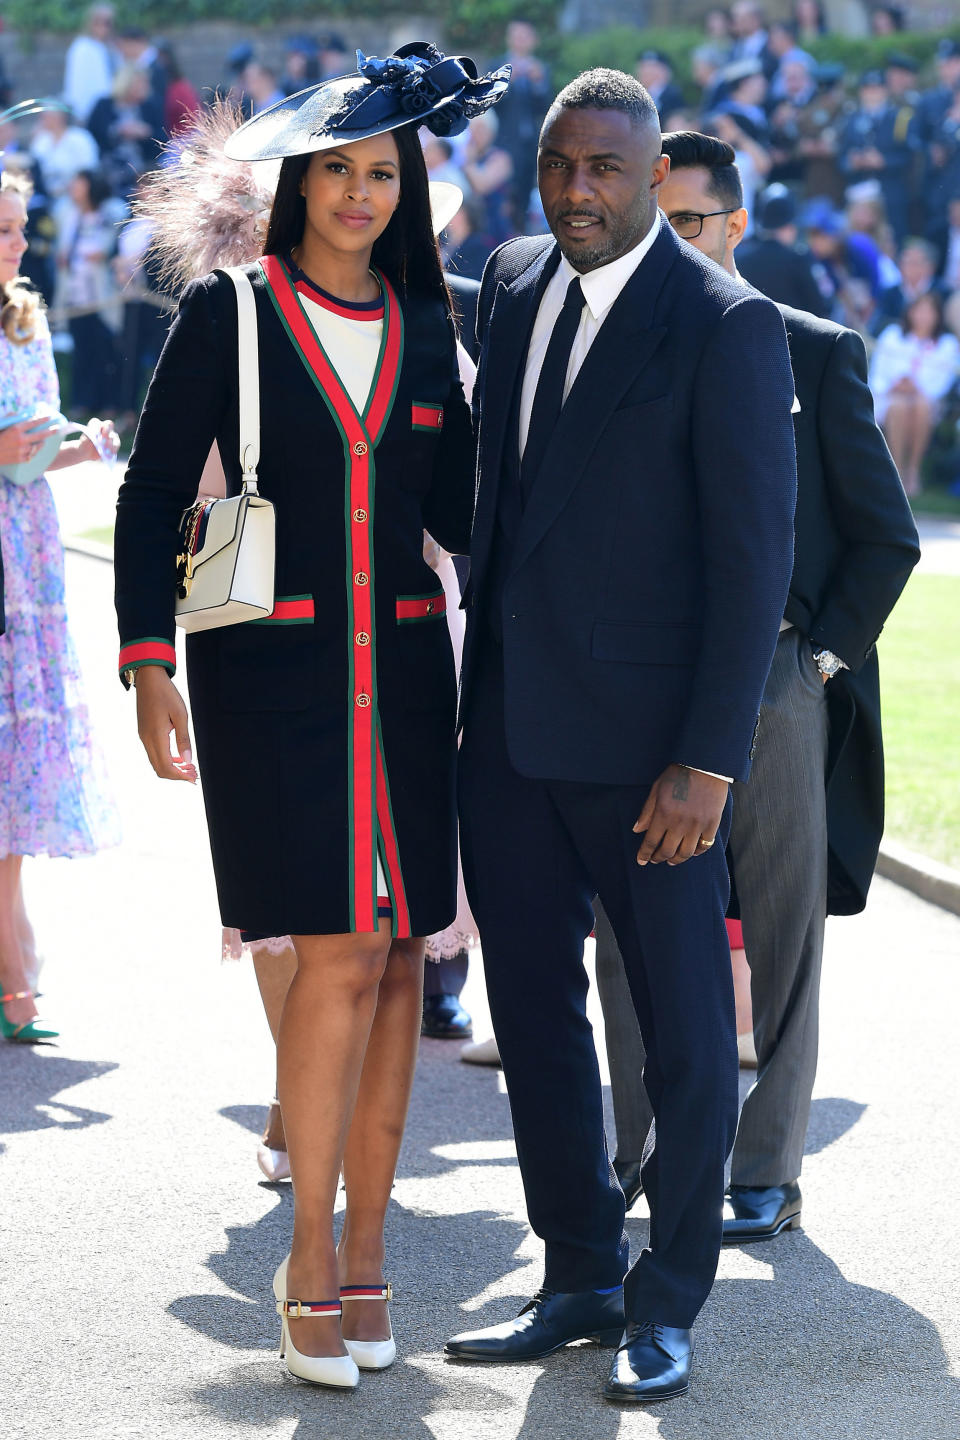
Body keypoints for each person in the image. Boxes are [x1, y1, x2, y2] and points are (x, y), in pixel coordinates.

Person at [113, 43, 508, 1390]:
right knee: (338, 958)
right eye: (335, 169)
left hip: (403, 683)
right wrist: (147, 662)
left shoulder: (429, 330)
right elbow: (153, 488)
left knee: (402, 965)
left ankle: (372, 1259)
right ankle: (304, 1263)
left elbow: (459, 522)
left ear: (411, 188)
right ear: (295, 185)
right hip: (271, 688)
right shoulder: (229, 311)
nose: (358, 192)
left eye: (382, 171)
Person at [444, 70, 797, 1404]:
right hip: (513, 747)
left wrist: (709, 759)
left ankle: (669, 1300)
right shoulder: (513, 279)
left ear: (652, 177)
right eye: (559, 166)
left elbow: (750, 561)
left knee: (691, 1040)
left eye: (604, 168)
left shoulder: (726, 324)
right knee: (533, 1020)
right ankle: (580, 1272)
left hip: (658, 764)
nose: (578, 191)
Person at [595, 129, 919, 1246]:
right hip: (642, 675)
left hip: (778, 675)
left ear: (735, 226)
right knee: (626, 925)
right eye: (657, 221)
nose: (669, 242)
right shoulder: (617, 347)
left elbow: (887, 539)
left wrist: (815, 668)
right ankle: (631, 1152)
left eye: (688, 223)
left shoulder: (816, 351)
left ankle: (767, 1168)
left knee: (783, 936)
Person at [0, 170, 120, 1044]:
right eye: (1, 229)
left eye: (17, 229)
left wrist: (77, 449)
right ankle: (16, 974)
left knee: (14, 767)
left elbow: (30, 450)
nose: (13, 245)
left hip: (25, 553)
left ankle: (15, 972)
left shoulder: (25, 318)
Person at [869, 290, 960, 494]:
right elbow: (878, 372)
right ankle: (897, 469)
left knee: (920, 405)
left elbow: (942, 382)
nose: (923, 316)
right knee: (900, 406)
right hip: (890, 397)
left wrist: (916, 387)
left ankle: (913, 470)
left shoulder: (946, 344)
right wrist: (896, 385)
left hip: (925, 402)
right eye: (919, 310)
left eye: (929, 311)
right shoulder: (892, 335)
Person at [738, 182, 831, 315]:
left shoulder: (741, 259)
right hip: (794, 334)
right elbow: (822, 306)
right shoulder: (800, 259)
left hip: (753, 334)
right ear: (790, 225)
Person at [62, 4, 116, 126]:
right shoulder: (81, 47)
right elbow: (76, 83)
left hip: (107, 111)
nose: (103, 27)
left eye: (107, 23)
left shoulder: (109, 48)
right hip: (87, 113)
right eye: (98, 22)